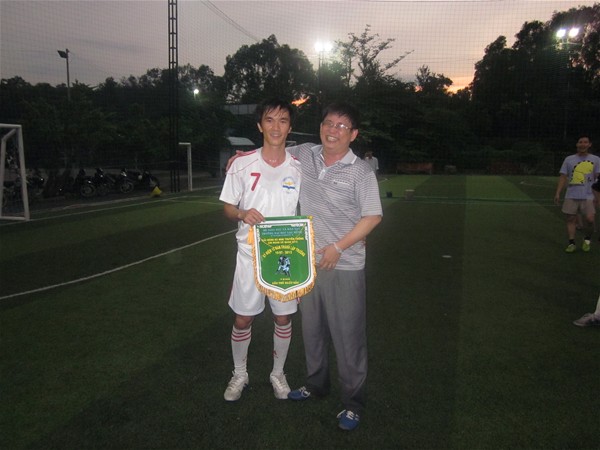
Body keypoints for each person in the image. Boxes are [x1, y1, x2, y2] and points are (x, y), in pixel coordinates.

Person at [285, 102, 383, 431]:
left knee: (348, 337)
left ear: (353, 134)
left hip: (344, 265)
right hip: (308, 263)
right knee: (311, 331)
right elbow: (273, 150)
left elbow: (373, 216)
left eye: (342, 126)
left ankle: (353, 403)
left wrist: (339, 247)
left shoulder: (361, 171)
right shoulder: (305, 153)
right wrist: (242, 157)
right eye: (328, 123)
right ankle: (316, 384)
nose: (333, 130)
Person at [219, 98, 301, 402]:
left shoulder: (299, 167)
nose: (276, 127)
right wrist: (242, 213)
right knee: (243, 318)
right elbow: (228, 207)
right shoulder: (242, 164)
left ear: (290, 127)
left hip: (285, 255)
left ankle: (277, 373)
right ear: (259, 125)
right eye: (269, 120)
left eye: (283, 120)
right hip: (249, 255)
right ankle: (240, 373)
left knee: (283, 319)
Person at [554, 136, 600, 252]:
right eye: (580, 142)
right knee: (571, 219)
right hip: (571, 194)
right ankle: (572, 243)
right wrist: (558, 192)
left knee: (590, 219)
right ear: (577, 144)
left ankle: (587, 239)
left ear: (589, 145)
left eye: (585, 142)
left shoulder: (596, 159)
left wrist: (597, 195)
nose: (582, 144)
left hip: (589, 194)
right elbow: (563, 176)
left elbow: (598, 178)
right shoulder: (569, 159)